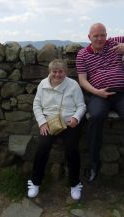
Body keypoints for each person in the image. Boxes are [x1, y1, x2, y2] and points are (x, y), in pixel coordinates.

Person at [76, 23, 124, 186]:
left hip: (121, 94)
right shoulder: (82, 54)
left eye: (103, 35)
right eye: (96, 36)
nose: (100, 39)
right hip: (98, 95)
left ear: (106, 35)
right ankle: (94, 164)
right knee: (96, 117)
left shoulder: (114, 42)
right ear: (89, 37)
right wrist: (97, 92)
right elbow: (82, 79)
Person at [28, 59, 86, 200]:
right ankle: (35, 182)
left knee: (72, 148)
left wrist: (76, 118)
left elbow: (81, 106)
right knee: (43, 146)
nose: (57, 74)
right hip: (49, 122)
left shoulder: (73, 85)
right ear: (50, 72)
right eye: (54, 71)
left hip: (69, 122)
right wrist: (42, 123)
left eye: (61, 71)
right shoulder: (43, 84)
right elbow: (36, 105)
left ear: (66, 72)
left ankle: (74, 183)